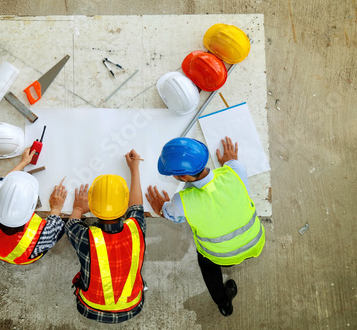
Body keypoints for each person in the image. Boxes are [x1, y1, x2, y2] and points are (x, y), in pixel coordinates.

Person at [146, 136, 265, 316]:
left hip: (220, 257)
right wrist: (230, 161)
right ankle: (223, 304)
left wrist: (161, 208)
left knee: (207, 266)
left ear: (182, 177)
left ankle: (224, 304)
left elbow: (171, 215)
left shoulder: (182, 201)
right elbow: (232, 165)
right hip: (255, 244)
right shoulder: (234, 171)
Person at [64, 149, 146, 323]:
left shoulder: (86, 237)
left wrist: (78, 209)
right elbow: (137, 206)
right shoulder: (136, 228)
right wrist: (134, 169)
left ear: (92, 206)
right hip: (132, 306)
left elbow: (71, 225)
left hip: (90, 307)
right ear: (124, 206)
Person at [0, 147, 67, 265]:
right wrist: (56, 208)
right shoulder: (40, 236)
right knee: (62, 226)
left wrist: (23, 162)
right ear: (32, 208)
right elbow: (54, 226)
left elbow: (1, 183)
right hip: (22, 257)